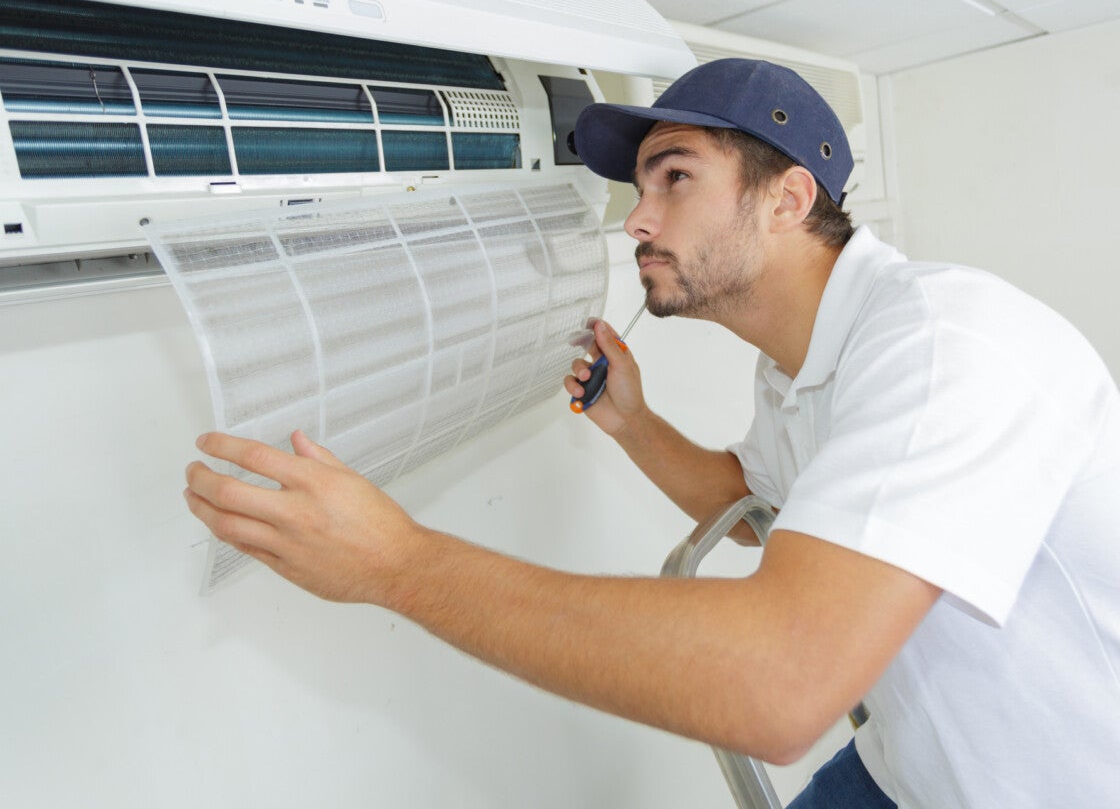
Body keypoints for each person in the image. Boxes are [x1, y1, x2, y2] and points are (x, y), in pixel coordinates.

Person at [183, 58, 1120, 807]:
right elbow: (759, 511)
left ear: (789, 199)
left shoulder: (945, 345)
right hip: (911, 768)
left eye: (675, 177)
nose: (637, 219)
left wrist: (398, 563)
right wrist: (631, 422)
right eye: (642, 187)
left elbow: (779, 684)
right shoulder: (793, 367)